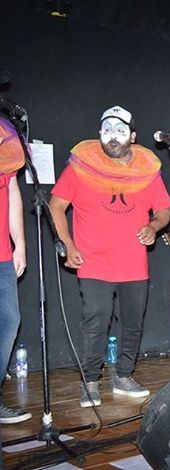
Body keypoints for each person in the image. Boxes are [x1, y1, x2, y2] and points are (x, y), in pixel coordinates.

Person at [50, 106, 170, 408]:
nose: (112, 137)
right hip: (93, 261)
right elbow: (55, 206)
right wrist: (67, 244)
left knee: (133, 324)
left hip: (133, 264)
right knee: (96, 320)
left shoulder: (147, 171)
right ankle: (90, 382)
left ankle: (124, 376)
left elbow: (165, 211)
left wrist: (153, 226)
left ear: (132, 135)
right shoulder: (81, 167)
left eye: (119, 131)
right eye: (107, 130)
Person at [0, 116, 31, 424]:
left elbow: (12, 194)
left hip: (2, 257)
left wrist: (19, 244)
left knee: (10, 322)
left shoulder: (4, 141)